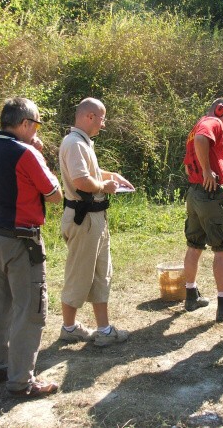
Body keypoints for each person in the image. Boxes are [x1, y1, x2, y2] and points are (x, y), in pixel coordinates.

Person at [0, 97, 63, 397]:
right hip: (21, 241)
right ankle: (22, 380)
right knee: (30, 309)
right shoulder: (26, 153)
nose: (37, 131)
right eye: (36, 124)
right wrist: (39, 155)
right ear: (25, 124)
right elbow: (54, 194)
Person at [58, 97, 135, 347]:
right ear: (89, 116)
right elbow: (81, 181)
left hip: (95, 218)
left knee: (102, 274)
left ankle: (104, 330)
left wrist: (112, 176)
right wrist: (105, 186)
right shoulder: (74, 143)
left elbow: (90, 173)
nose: (103, 124)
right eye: (102, 118)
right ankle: (69, 329)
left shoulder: (82, 142)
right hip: (84, 220)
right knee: (79, 275)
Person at [182, 98, 223, 322]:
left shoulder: (200, 122)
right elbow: (202, 139)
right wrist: (209, 173)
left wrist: (217, 174)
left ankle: (191, 295)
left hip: (194, 194)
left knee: (194, 244)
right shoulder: (213, 122)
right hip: (209, 196)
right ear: (222, 109)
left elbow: (201, 148)